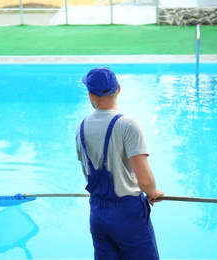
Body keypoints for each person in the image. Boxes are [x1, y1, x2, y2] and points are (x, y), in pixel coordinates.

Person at [75, 67, 164, 260]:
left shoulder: (81, 128)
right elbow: (145, 180)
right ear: (118, 88)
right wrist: (153, 193)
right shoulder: (127, 125)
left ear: (91, 95)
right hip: (128, 214)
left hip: (98, 213)